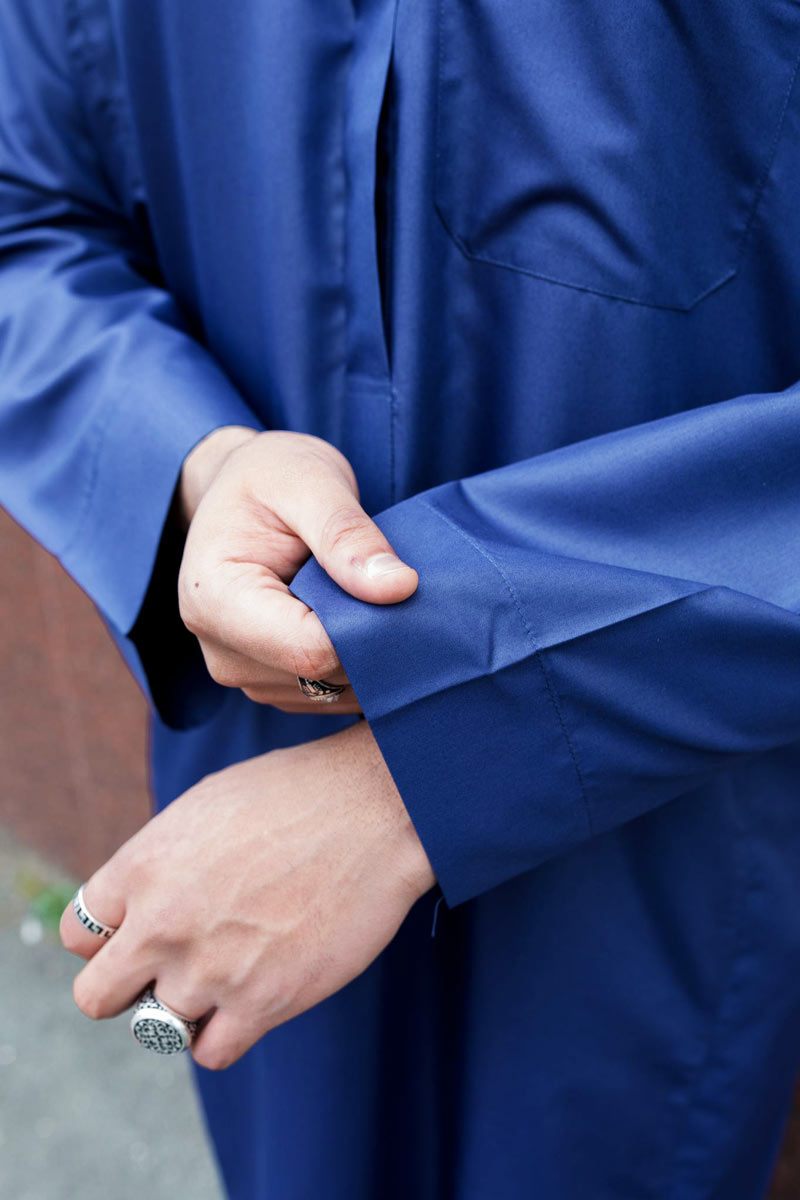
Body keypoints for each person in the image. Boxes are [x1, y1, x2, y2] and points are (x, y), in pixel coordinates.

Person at [2, 0, 800, 1196]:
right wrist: (198, 461)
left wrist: (417, 778)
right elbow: (25, 214)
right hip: (242, 826)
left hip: (672, 850)